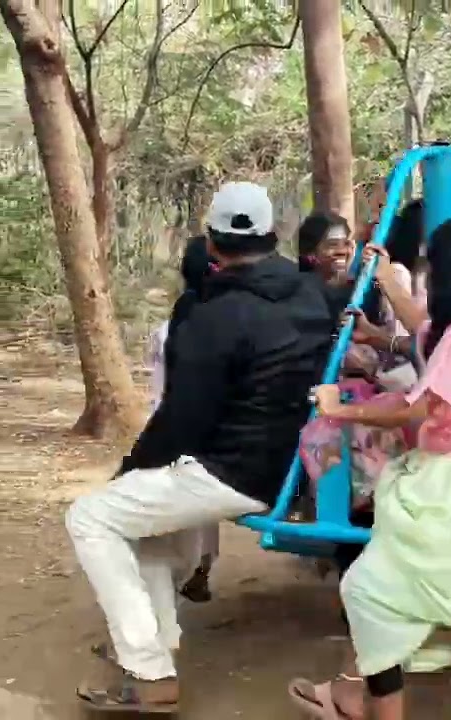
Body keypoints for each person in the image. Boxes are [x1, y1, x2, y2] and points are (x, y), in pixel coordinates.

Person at [68, 181, 335, 713]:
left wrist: (129, 468)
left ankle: (149, 672)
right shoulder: (311, 295)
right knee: (142, 530)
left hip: (228, 471)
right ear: (274, 234)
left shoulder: (211, 314)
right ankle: (154, 645)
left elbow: (181, 420)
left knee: (91, 518)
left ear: (211, 241)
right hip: (289, 468)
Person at [287, 219, 451, 720]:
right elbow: (423, 332)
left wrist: (338, 410)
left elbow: (417, 406)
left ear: (442, 275)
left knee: (372, 591)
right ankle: (350, 690)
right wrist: (385, 283)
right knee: (379, 592)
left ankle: (375, 686)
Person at [143, 235, 220, 603]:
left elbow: (158, 387)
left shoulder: (166, 329)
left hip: (170, 428)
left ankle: (190, 574)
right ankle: (195, 571)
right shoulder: (225, 323)